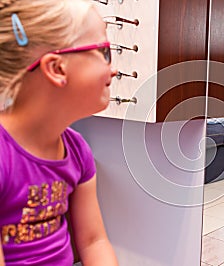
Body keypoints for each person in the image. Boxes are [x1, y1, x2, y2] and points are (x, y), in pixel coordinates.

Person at [0, 0, 118, 265]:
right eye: (104, 52)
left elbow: (93, 241)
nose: (114, 69)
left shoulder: (77, 151)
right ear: (56, 68)